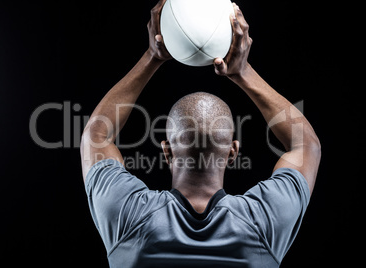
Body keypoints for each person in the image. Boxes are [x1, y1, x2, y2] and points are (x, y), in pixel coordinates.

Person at [80, 1, 321, 267]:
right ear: (233, 152)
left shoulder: (128, 216)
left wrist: (153, 55)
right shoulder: (263, 221)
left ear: (166, 151)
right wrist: (243, 72)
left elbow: (97, 134)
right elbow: (306, 145)